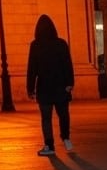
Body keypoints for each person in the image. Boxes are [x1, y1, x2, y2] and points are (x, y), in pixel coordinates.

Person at [25, 14, 75, 157]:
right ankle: (66, 138)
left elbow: (32, 68)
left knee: (46, 118)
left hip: (44, 87)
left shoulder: (35, 45)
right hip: (60, 86)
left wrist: (30, 88)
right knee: (63, 114)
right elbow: (67, 64)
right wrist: (70, 83)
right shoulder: (61, 44)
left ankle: (49, 145)